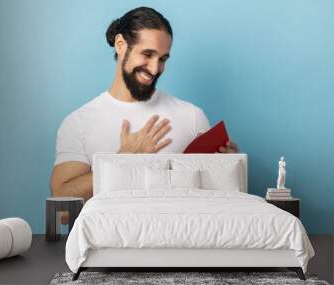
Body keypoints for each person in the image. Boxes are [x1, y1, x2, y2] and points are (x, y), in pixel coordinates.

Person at [50, 7, 238, 224]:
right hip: (111, 250)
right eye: (147, 54)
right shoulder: (79, 122)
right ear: (121, 45)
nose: (155, 68)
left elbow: (218, 203)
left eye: (163, 59)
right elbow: (62, 212)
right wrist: (122, 159)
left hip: (183, 246)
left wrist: (228, 168)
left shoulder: (192, 116)